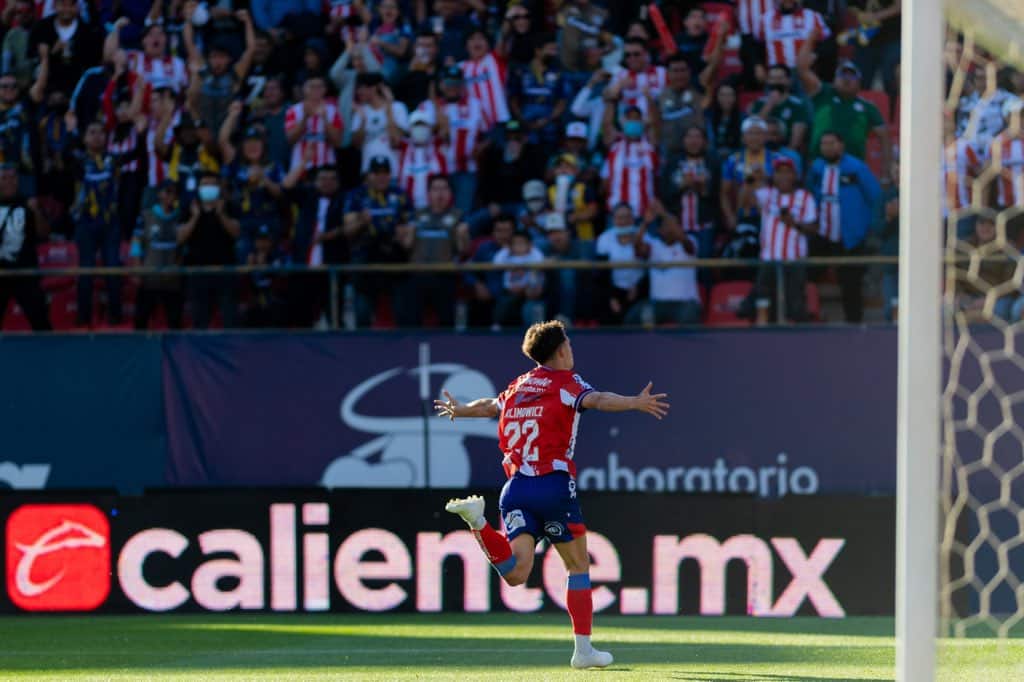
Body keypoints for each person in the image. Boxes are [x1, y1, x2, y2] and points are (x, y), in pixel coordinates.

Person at [436, 319, 670, 670]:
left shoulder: (518, 386)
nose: (572, 349)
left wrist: (462, 410)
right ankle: (584, 650)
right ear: (561, 350)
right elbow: (599, 399)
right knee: (577, 565)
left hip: (514, 490)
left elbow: (489, 405)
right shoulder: (567, 383)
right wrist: (635, 402)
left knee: (515, 573)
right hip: (553, 485)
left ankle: (478, 521)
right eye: (569, 344)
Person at [806, 130, 882, 323]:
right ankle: (805, 318)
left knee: (851, 283)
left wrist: (864, 226)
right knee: (805, 273)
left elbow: (875, 196)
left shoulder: (856, 168)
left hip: (850, 236)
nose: (828, 147)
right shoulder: (817, 168)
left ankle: (854, 324)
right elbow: (810, 195)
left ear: (841, 146)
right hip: (822, 233)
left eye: (832, 143)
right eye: (824, 144)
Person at [799, 30, 890, 168]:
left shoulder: (867, 107)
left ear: (859, 83)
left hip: (853, 167)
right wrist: (810, 39)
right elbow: (802, 69)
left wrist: (886, 172)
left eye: (852, 76)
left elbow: (884, 137)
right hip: (820, 164)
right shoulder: (823, 93)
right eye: (842, 75)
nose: (847, 79)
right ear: (834, 80)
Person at [177, 170, 240, 329]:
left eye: (213, 184)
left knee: (230, 319)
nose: (209, 187)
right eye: (205, 184)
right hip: (198, 271)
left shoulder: (229, 206)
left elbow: (236, 233)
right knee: (199, 319)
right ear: (198, 188)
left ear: (219, 188)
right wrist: (195, 217)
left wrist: (221, 214)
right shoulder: (190, 208)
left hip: (225, 270)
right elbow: (180, 238)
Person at [0, 164, 50, 331]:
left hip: (25, 273)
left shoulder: (28, 204)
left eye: (13, 178)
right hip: (1, 273)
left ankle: (50, 354)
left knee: (42, 325)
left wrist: (36, 211)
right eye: (4, 178)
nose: (9, 182)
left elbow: (44, 233)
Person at [133, 180, 184, 330]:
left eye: (173, 193)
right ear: (158, 194)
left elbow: (183, 248)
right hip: (150, 276)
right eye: (167, 191)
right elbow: (136, 242)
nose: (170, 196)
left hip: (171, 278)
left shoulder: (180, 217)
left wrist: (177, 267)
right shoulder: (146, 215)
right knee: (141, 320)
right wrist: (137, 269)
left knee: (175, 322)